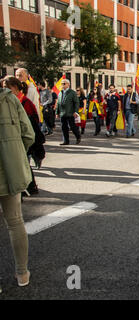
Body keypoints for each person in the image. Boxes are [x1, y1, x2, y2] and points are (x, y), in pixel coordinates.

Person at [0, 86, 35, 289]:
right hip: (8, 169)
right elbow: (28, 133)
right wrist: (15, 152)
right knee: (14, 222)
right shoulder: (10, 100)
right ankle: (22, 273)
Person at [3, 76, 45, 196]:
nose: (4, 90)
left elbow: (32, 124)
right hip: (14, 139)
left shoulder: (25, 102)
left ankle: (27, 188)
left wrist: (29, 142)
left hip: (22, 139)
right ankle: (29, 187)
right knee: (23, 163)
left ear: (15, 88)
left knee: (23, 163)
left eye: (7, 87)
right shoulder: (8, 102)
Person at [56, 79, 81, 145]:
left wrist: (76, 111)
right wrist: (57, 112)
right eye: (62, 84)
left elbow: (76, 103)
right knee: (64, 127)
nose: (62, 85)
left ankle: (78, 136)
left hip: (70, 112)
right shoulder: (60, 93)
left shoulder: (72, 93)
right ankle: (66, 141)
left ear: (68, 84)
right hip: (62, 113)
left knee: (72, 126)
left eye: (64, 83)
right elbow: (58, 103)